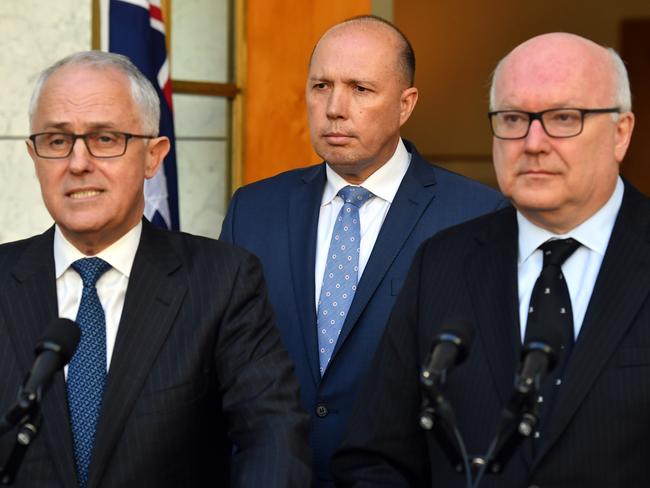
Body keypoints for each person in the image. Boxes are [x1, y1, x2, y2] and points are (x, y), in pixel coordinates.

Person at [331, 32, 648, 487]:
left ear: (621, 133)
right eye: (513, 118)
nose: (533, 142)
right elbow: (375, 459)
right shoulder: (442, 263)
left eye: (563, 118)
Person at [0, 51, 311, 487]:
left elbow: (273, 439)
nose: (77, 163)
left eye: (105, 139)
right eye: (57, 141)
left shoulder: (222, 281)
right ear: (34, 156)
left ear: (153, 155)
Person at [219, 15, 504, 486]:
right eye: (321, 86)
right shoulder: (254, 209)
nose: (334, 107)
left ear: (405, 104)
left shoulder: (476, 216)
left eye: (361, 89)